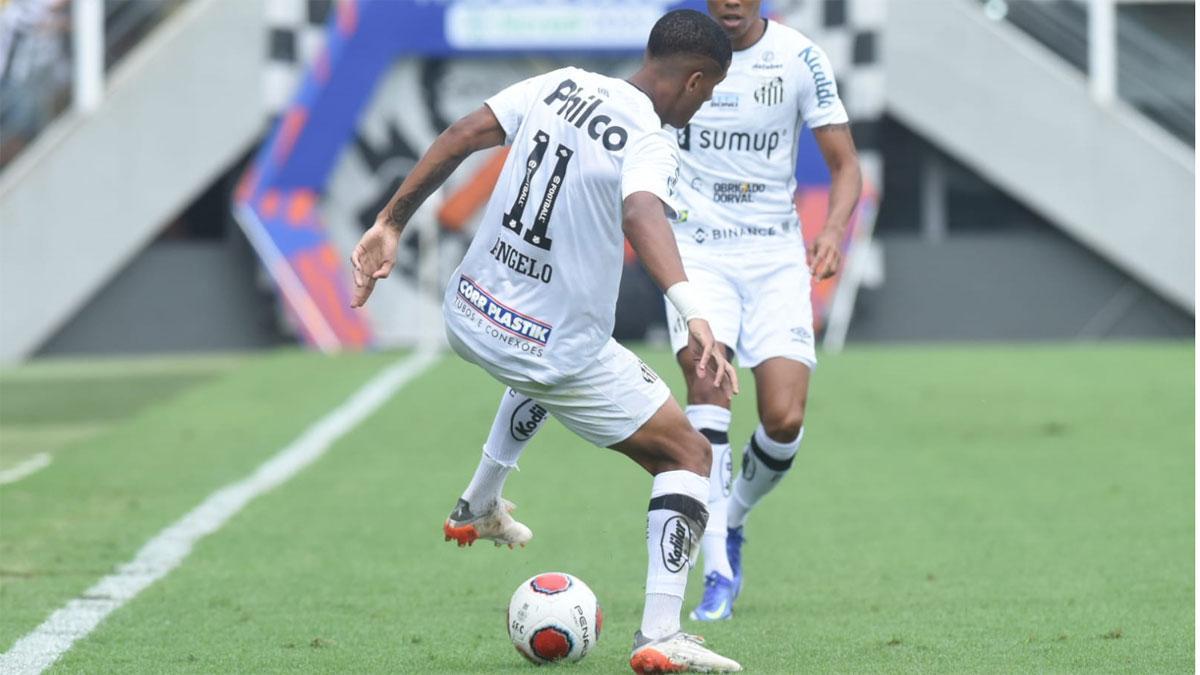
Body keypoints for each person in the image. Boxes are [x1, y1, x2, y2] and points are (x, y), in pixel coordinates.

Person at [350, 10, 743, 673]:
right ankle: (661, 632)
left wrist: (389, 221)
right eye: (705, 94)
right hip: (553, 347)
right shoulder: (650, 138)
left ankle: (478, 500)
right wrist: (692, 307)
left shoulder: (559, 84)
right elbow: (643, 211)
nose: (699, 106)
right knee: (691, 456)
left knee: (542, 361)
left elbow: (460, 135)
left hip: (471, 313)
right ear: (696, 79)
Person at [669, 0, 863, 621]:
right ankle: (716, 571)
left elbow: (845, 166)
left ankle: (732, 519)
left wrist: (832, 229)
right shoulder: (679, 52)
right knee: (708, 389)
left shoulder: (800, 57)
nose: (729, 3)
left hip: (776, 256)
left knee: (783, 417)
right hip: (697, 254)